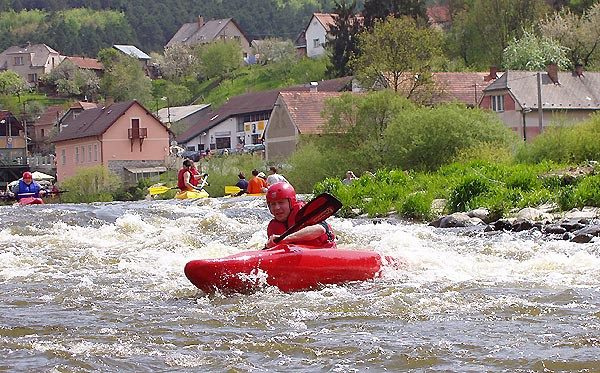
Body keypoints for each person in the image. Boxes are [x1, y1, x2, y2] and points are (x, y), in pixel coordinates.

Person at [264, 182, 336, 249]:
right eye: (273, 204)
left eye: (281, 202)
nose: (277, 208)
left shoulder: (305, 213)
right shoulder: (273, 227)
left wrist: (287, 238)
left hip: (324, 251)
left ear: (291, 202)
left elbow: (320, 229)